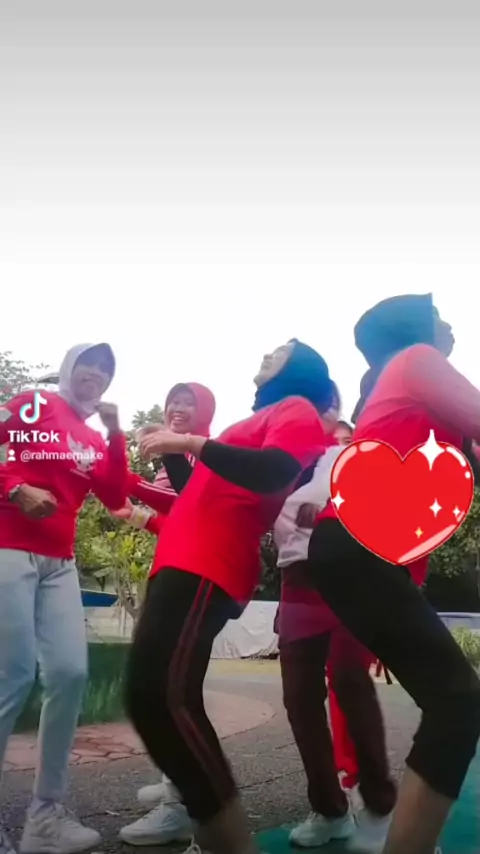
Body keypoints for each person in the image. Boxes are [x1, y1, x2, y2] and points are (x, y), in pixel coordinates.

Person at [124, 339, 339, 854]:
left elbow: (274, 470)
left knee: (159, 697)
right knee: (162, 697)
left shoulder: (296, 408)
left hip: (207, 560)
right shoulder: (260, 419)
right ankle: (209, 832)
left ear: (300, 369)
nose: (269, 352)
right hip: (185, 557)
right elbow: (200, 487)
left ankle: (227, 839)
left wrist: (191, 442)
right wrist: (172, 450)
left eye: (282, 350)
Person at [307, 294, 480, 854]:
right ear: (418, 328)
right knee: (458, 702)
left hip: (358, 553)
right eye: (439, 314)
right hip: (358, 549)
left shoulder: (407, 385)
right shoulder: (417, 361)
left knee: (454, 702)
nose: (449, 323)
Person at [0, 343, 128, 854]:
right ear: (69, 369)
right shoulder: (36, 405)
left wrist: (115, 434)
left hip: (60, 562)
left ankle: (45, 818)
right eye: (89, 363)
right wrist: (14, 488)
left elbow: (115, 496)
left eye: (106, 369)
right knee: (11, 676)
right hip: (8, 547)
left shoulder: (93, 439)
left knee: (71, 674)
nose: (96, 373)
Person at [274, 416, 397, 851]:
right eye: (335, 438)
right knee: (298, 697)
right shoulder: (290, 462)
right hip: (295, 576)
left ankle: (380, 807)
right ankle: (330, 810)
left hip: (347, 570)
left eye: (348, 438)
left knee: (348, 679)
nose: (339, 443)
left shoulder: (356, 459)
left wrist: (329, 508)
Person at [117, 382, 216, 847]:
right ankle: (176, 783)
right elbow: (176, 521)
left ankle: (186, 804)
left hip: (196, 574)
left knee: (172, 692)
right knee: (166, 689)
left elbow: (194, 506)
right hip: (173, 566)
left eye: (188, 402)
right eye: (173, 401)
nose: (177, 408)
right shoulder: (170, 459)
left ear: (205, 411)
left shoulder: (207, 455)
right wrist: (136, 513)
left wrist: (126, 485)